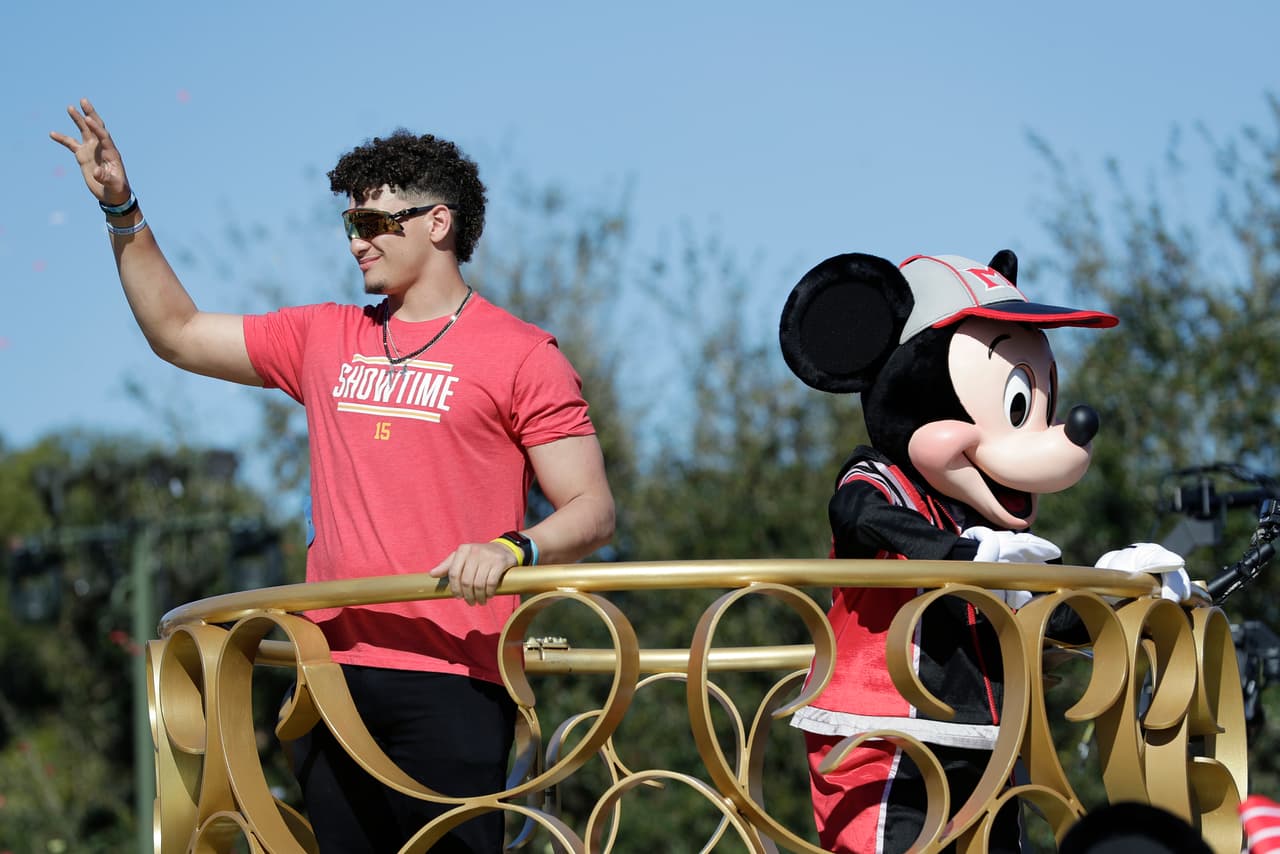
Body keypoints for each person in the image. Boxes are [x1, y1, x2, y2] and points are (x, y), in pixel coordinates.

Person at [52, 98, 616, 852]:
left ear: (437, 223)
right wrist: (123, 209)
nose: (357, 243)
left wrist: (514, 550)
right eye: (350, 225)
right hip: (326, 679)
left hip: (452, 677)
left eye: (375, 224)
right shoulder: (324, 335)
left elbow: (590, 509)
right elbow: (179, 334)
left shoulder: (521, 354)